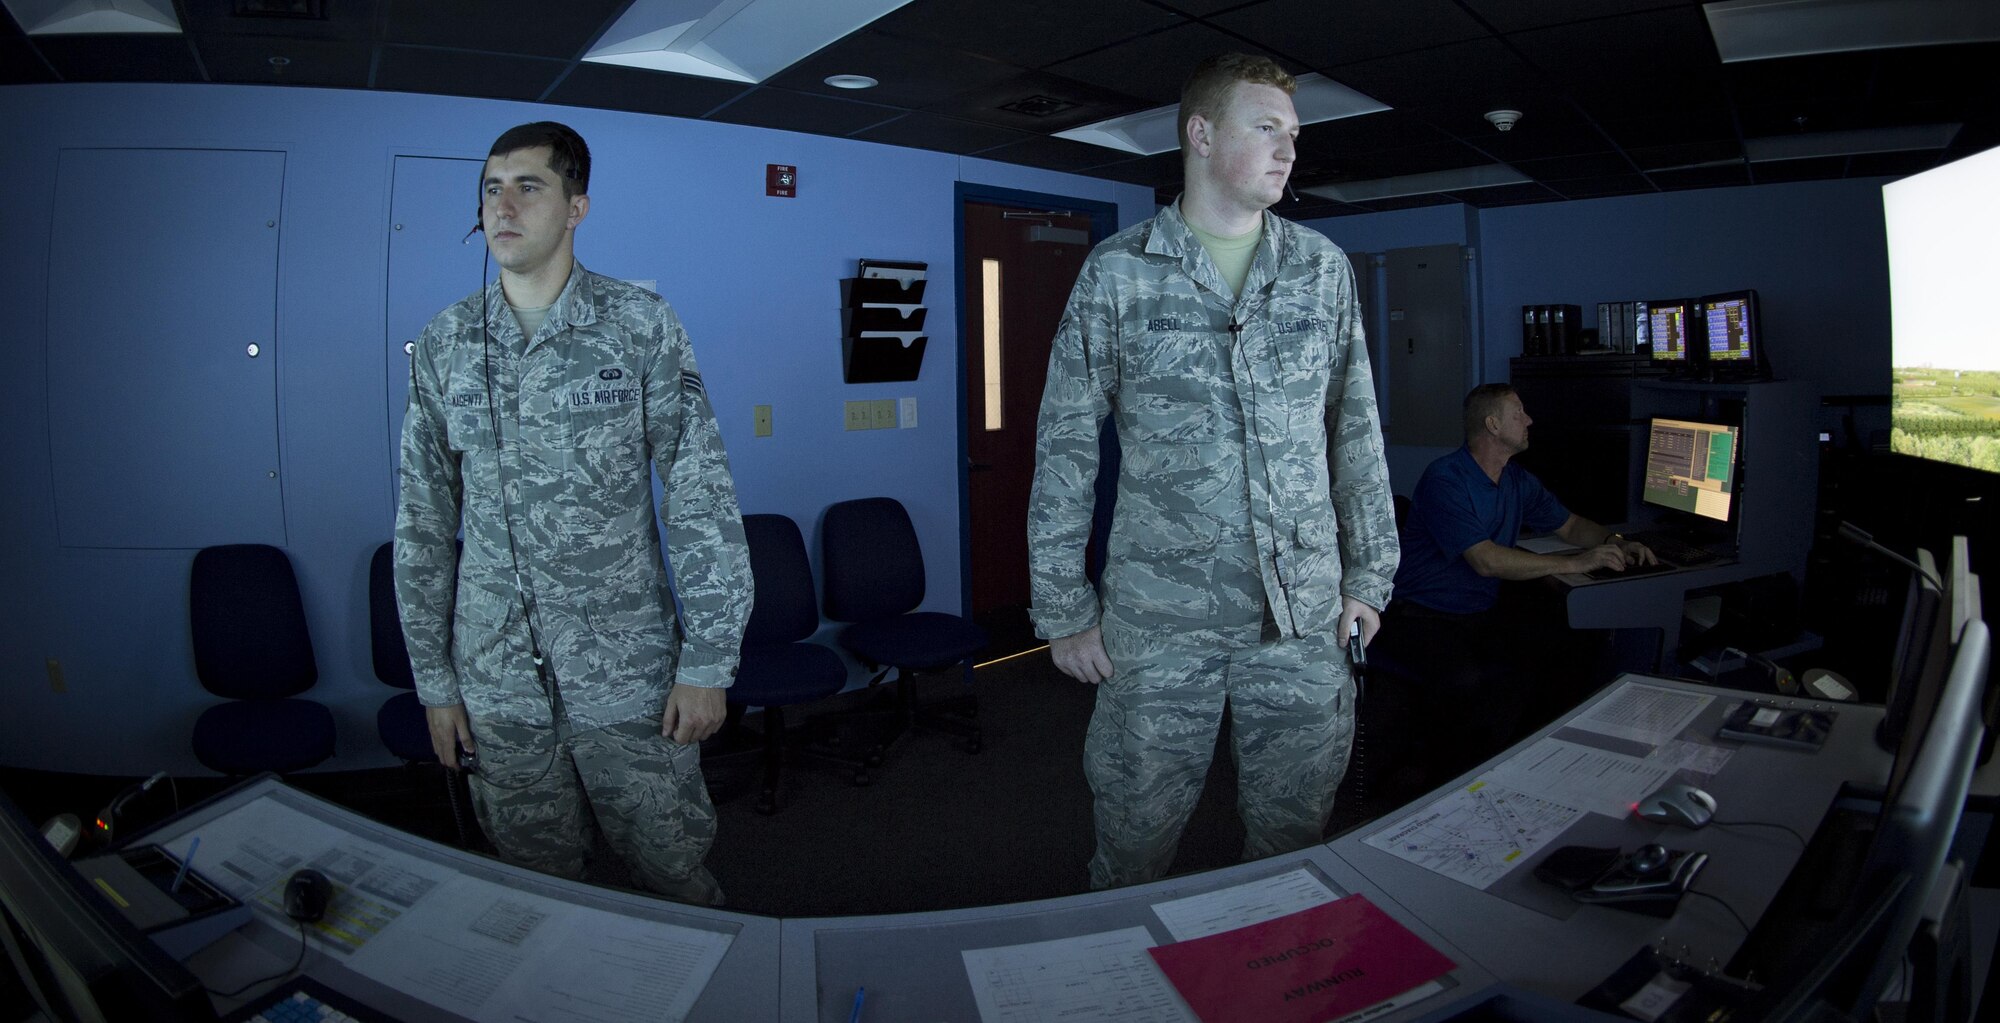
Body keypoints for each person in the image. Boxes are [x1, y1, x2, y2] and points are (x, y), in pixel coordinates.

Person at [1028, 54, 1399, 890]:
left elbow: (1356, 430)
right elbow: (1063, 448)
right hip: (1160, 625)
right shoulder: (1118, 274)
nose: (1288, 149)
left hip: (1301, 620)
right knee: (1133, 842)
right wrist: (1062, 607)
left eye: (1294, 135)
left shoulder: (1320, 269)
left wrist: (1370, 575)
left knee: (1296, 844)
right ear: (1200, 134)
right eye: (1265, 128)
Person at [395, 122, 749, 905]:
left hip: (626, 675)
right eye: (491, 187)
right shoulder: (447, 343)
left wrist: (708, 661)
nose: (503, 205)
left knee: (673, 871)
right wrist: (435, 684)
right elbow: (422, 522)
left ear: (577, 206)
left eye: (530, 186)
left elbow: (699, 491)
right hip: (496, 686)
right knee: (536, 888)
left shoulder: (638, 324)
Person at [1378, 383, 1651, 781]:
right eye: (1519, 412)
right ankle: (1447, 780)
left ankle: (1520, 757)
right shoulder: (1445, 479)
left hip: (1477, 612)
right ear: (1492, 424)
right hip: (1420, 617)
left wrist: (1616, 542)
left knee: (1573, 646)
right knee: (1465, 681)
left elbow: (1571, 526)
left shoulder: (1516, 480)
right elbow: (1486, 560)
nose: (1529, 420)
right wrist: (1578, 565)